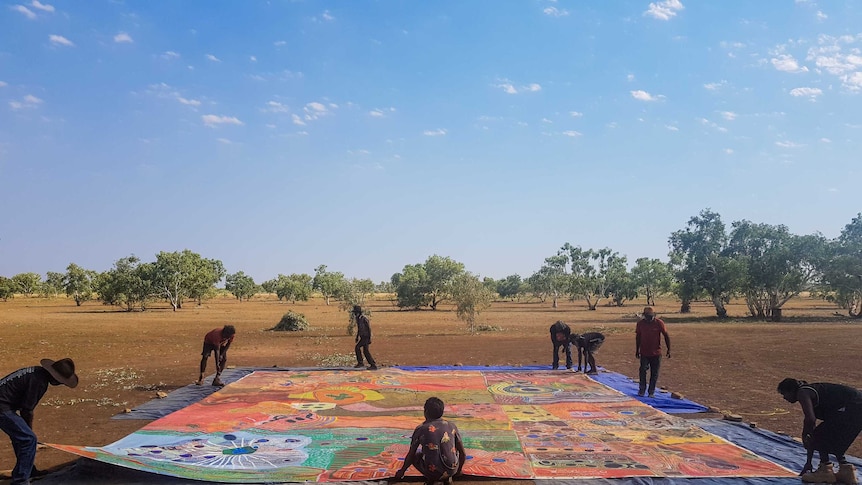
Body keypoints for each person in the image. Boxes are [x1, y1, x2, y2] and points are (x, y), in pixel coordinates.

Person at [0, 358, 78, 485]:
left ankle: (28, 470)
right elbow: (27, 410)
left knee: (22, 438)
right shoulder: (39, 381)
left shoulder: (36, 372)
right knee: (28, 439)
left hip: (5, 405)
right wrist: (28, 430)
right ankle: (21, 480)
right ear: (55, 377)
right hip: (2, 407)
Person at [777, 378, 862, 484]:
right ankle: (846, 469)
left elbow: (810, 419)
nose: (785, 398)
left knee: (820, 435)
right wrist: (808, 462)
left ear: (791, 390)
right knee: (830, 436)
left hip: (852, 406)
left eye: (784, 394)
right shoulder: (813, 392)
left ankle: (825, 470)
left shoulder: (803, 392)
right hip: (857, 408)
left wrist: (804, 434)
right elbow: (813, 430)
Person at [393, 397, 466, 485]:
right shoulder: (451, 426)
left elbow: (411, 454)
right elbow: (462, 453)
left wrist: (402, 471)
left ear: (426, 412)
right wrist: (459, 470)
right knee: (453, 452)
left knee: (416, 456)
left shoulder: (421, 428)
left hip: (432, 471)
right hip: (452, 469)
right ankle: (447, 478)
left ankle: (431, 480)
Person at [635, 306, 670, 398]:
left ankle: (651, 391)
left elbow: (666, 336)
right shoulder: (640, 324)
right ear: (644, 315)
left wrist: (668, 349)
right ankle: (642, 390)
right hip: (644, 352)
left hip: (656, 352)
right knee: (642, 370)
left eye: (650, 316)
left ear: (654, 315)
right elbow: (638, 337)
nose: (649, 318)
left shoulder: (659, 323)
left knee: (654, 373)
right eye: (647, 316)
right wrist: (637, 350)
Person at [352, 305, 377, 371]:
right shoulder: (358, 319)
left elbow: (369, 328)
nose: (354, 314)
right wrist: (357, 337)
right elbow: (359, 329)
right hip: (362, 337)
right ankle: (370, 364)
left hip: (366, 336)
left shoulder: (364, 318)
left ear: (358, 312)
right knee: (364, 350)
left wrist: (369, 338)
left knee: (360, 349)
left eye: (355, 312)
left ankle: (369, 364)